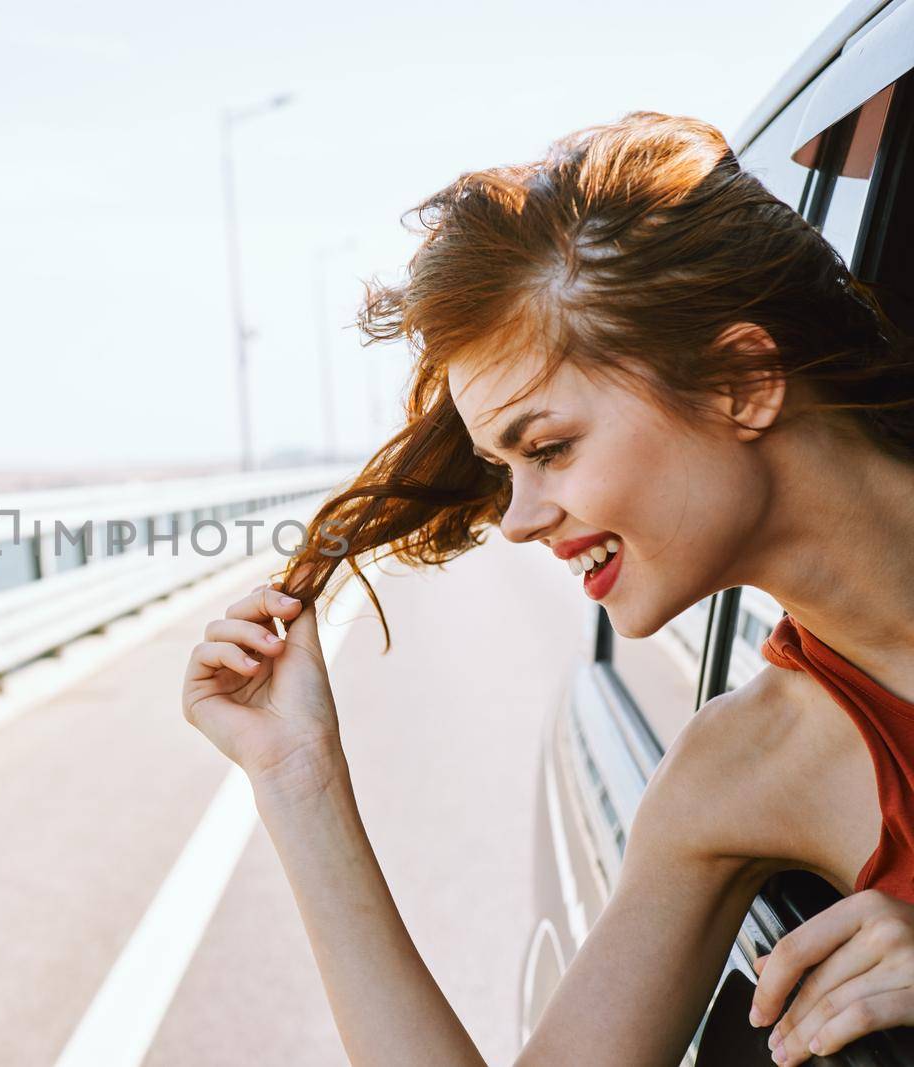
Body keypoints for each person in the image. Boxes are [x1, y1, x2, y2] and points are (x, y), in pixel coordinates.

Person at [181, 110, 914, 1065]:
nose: (519, 518)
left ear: (742, 381)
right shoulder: (742, 772)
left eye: (549, 448)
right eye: (503, 467)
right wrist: (296, 777)